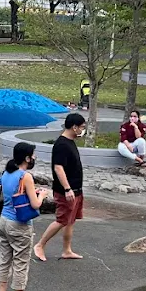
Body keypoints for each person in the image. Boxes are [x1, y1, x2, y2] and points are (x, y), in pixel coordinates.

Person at [0, 141, 46, 291]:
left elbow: (8, 190)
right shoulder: (26, 176)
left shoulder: (7, 172)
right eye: (33, 155)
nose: (34, 157)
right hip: (19, 225)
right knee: (20, 264)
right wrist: (42, 195)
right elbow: (35, 204)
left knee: (4, 260)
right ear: (27, 158)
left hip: (3, 220)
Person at [34, 112, 87, 262]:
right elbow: (58, 168)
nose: (83, 130)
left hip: (76, 190)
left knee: (70, 220)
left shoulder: (70, 142)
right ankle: (40, 245)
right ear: (74, 127)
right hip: (66, 191)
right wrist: (67, 188)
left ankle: (67, 250)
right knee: (62, 220)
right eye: (82, 127)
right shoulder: (62, 144)